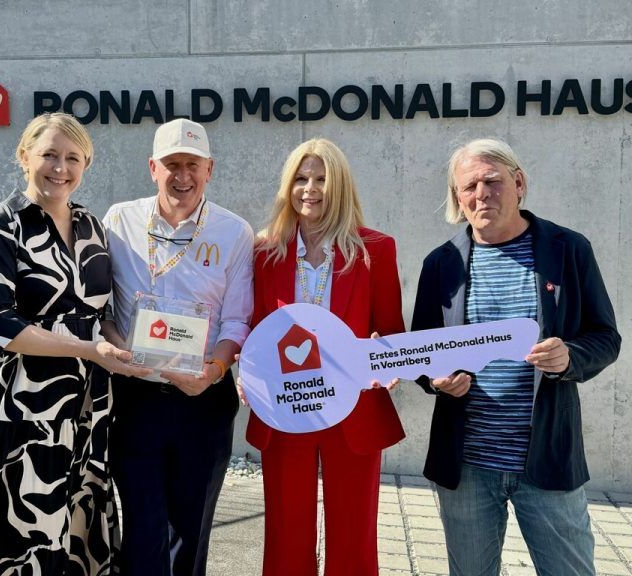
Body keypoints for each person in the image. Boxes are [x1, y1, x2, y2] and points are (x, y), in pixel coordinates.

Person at [0, 112, 150, 576]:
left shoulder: (92, 226)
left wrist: (128, 349)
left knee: (72, 527)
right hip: (16, 405)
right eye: (49, 154)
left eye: (73, 158)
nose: (60, 168)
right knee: (8, 529)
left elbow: (100, 314)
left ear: (86, 164)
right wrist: (89, 351)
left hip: (84, 408)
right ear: (24, 156)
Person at [411, 138, 621, 576]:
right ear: (458, 198)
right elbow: (423, 353)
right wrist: (436, 381)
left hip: (547, 460)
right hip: (467, 466)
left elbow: (606, 338)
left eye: (492, 181)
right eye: (469, 187)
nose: (481, 194)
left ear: (519, 183)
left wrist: (570, 357)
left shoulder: (568, 250)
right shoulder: (442, 264)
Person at [246, 138, 406, 576]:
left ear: (341, 187)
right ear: (288, 186)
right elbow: (255, 330)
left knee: (354, 538)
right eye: (301, 178)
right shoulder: (265, 251)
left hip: (354, 409)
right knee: (286, 536)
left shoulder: (376, 249)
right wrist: (248, 375)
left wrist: (385, 360)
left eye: (322, 179)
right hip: (286, 408)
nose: (310, 189)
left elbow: (390, 333)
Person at [102, 118, 253, 575]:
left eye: (192, 164)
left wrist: (214, 371)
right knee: (142, 530)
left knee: (190, 534)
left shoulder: (234, 232)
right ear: (153, 168)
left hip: (203, 399)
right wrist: (118, 350)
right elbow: (101, 307)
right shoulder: (119, 221)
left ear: (210, 169)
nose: (182, 176)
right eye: (172, 164)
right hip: (135, 397)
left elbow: (237, 320)